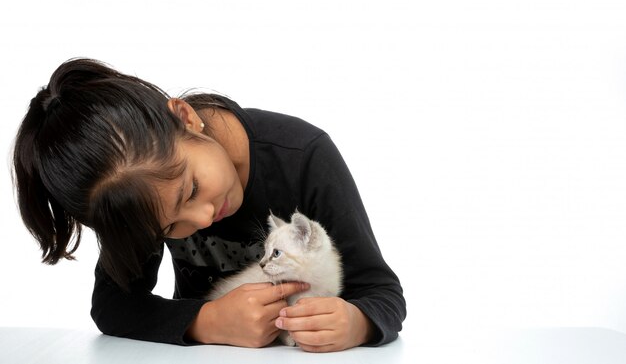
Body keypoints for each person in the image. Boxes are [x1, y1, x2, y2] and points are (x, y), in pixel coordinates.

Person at [12, 58, 406, 352]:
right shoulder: (135, 193)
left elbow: (382, 292)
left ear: (185, 117)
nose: (200, 218)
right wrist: (208, 321)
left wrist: (358, 323)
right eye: (169, 229)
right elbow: (113, 306)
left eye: (191, 189)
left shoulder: (302, 156)